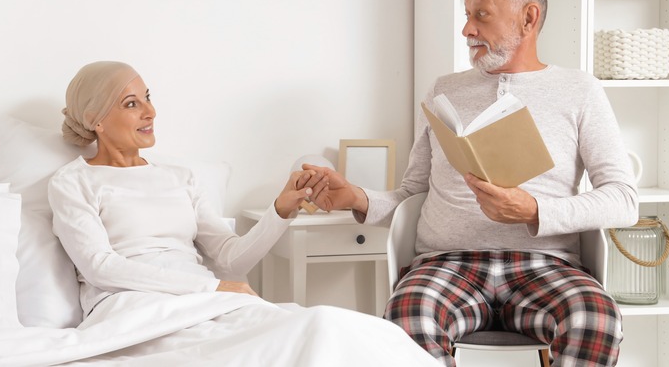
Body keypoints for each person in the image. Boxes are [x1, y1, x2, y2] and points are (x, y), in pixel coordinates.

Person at [302, 0, 639, 366]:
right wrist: (356, 198)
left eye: (481, 15)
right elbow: (413, 194)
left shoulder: (579, 91)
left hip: (546, 265)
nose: (467, 30)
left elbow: (623, 199)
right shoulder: (445, 90)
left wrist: (534, 210)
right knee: (409, 316)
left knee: (595, 319)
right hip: (448, 263)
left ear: (528, 18)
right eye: (467, 15)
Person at [47, 61, 440, 366]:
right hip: (132, 307)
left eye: (148, 97)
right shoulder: (72, 182)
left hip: (207, 303)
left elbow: (232, 258)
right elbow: (102, 268)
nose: (150, 111)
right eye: (131, 104)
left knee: (326, 327)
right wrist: (212, 288)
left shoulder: (180, 177)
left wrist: (280, 211)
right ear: (96, 119)